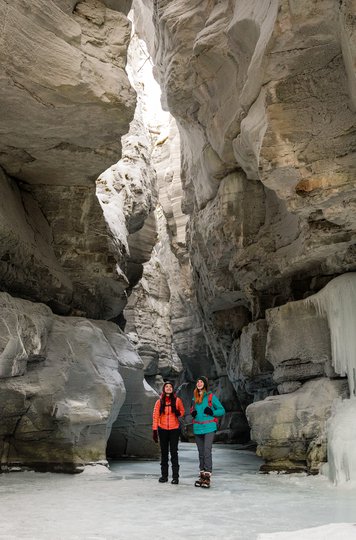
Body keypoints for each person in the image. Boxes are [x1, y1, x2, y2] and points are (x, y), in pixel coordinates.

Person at [191, 376, 225, 488]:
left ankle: (207, 476)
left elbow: (222, 410)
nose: (199, 383)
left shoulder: (211, 397)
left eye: (201, 382)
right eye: (198, 381)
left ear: (205, 384)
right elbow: (192, 410)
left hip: (209, 428)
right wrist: (193, 413)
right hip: (197, 428)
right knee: (201, 453)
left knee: (206, 451)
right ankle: (201, 475)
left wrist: (212, 412)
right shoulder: (194, 398)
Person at [152, 380, 185, 484]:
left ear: (172, 389)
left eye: (170, 387)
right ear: (164, 388)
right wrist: (154, 430)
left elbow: (182, 411)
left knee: (174, 453)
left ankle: (175, 477)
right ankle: (164, 476)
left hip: (174, 429)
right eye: (167, 387)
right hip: (162, 429)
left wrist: (178, 413)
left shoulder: (177, 400)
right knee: (164, 453)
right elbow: (155, 416)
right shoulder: (159, 402)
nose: (169, 388)